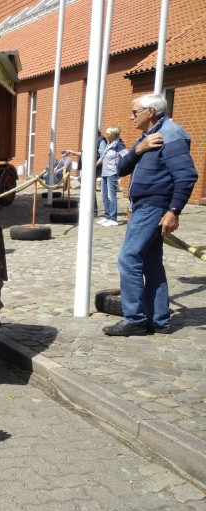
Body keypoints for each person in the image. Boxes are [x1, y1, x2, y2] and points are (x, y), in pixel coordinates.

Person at [103, 93, 198, 337]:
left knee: (129, 258)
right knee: (150, 263)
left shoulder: (171, 134)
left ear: (150, 112)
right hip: (144, 207)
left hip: (154, 207)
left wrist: (173, 211)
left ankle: (135, 319)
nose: (130, 116)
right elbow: (122, 168)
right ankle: (159, 320)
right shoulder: (147, 136)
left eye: (135, 112)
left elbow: (186, 176)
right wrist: (139, 149)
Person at [96, 127, 127, 227]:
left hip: (112, 173)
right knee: (104, 195)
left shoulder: (119, 144)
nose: (106, 135)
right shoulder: (109, 144)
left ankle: (113, 218)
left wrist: (121, 168)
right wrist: (94, 166)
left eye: (108, 134)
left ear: (114, 135)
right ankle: (107, 216)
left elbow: (126, 156)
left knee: (111, 196)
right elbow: (103, 157)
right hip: (104, 173)